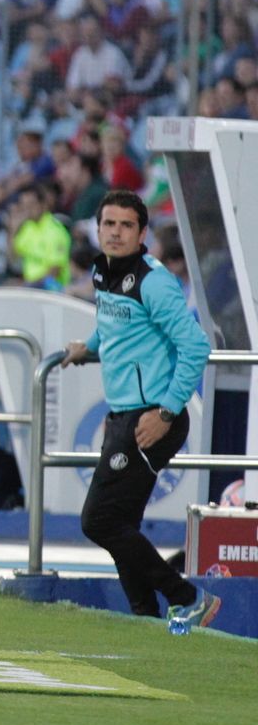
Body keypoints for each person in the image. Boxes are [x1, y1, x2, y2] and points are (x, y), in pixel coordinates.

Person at [61, 191, 219, 631]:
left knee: (99, 520)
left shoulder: (154, 281)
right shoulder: (102, 272)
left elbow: (195, 346)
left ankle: (188, 597)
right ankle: (145, 620)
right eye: (108, 224)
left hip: (152, 418)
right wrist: (86, 348)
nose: (115, 232)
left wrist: (166, 412)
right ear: (98, 229)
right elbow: (112, 325)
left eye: (125, 225)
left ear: (142, 233)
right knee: (120, 524)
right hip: (125, 414)